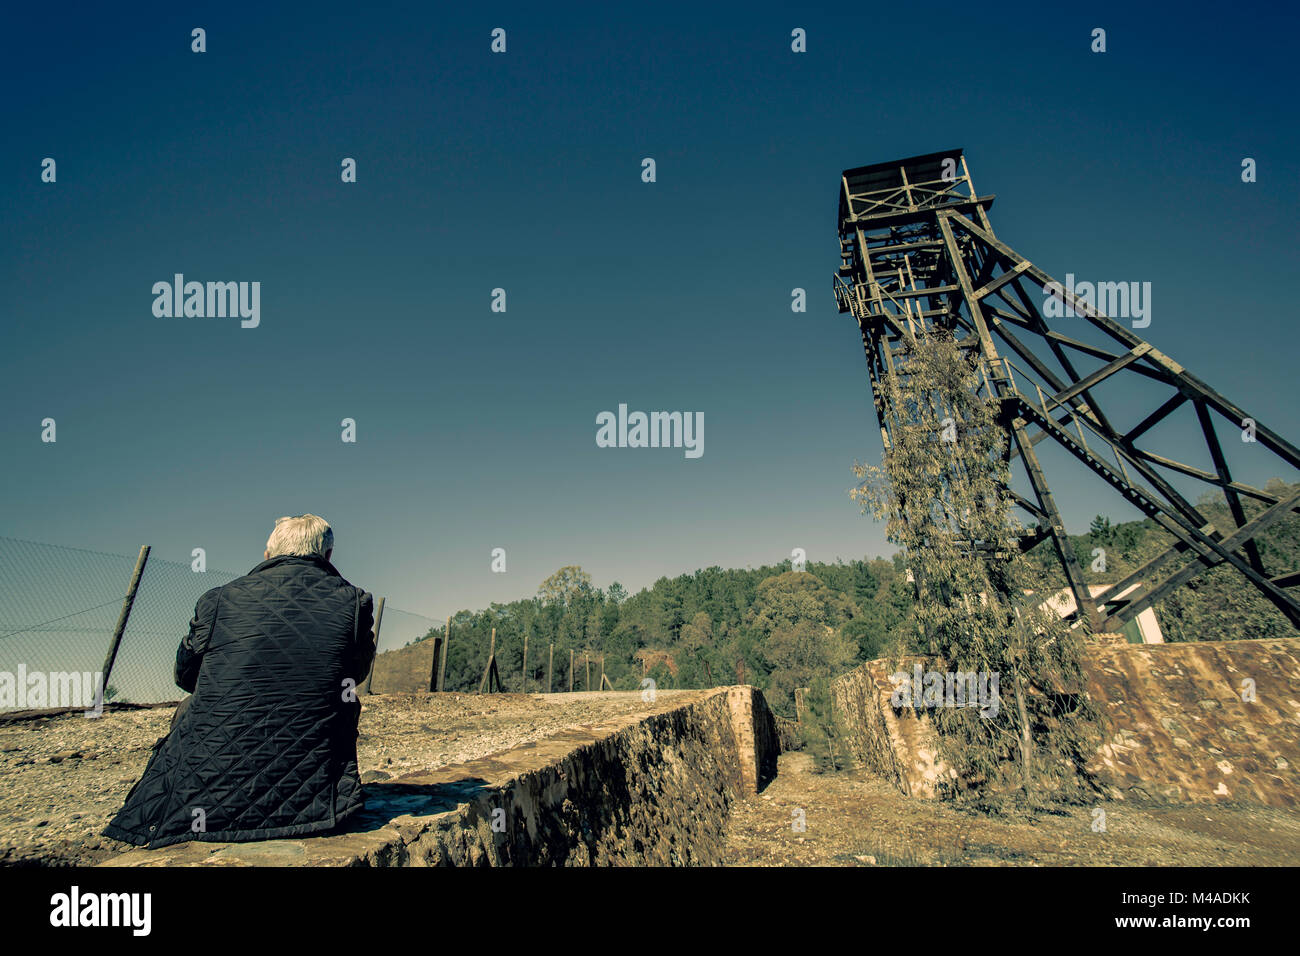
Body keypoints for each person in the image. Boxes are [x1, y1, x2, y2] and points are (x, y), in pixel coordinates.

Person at [103, 514, 376, 849]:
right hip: (314, 799)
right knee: (345, 701)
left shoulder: (218, 598)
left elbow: (187, 676)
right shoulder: (354, 602)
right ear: (328, 556)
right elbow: (354, 675)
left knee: (191, 705)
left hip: (203, 799)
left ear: (268, 554)